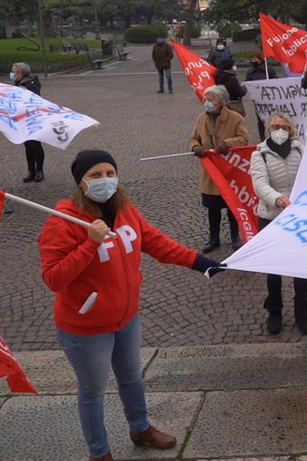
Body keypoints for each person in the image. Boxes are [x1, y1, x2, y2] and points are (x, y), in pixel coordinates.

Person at [39, 149, 224, 461]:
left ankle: (140, 428)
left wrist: (200, 262)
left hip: (126, 317)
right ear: (81, 182)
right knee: (92, 393)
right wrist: (90, 243)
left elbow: (156, 243)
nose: (105, 180)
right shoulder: (64, 221)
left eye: (109, 173)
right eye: (96, 175)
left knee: (131, 378)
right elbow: (54, 278)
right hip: (85, 328)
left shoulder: (125, 210)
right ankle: (99, 453)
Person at [250, 112, 307, 335]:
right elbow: (259, 183)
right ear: (269, 129)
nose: (279, 130)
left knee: (300, 267)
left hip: (297, 217)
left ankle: (302, 314)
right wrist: (275, 198)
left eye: (283, 126)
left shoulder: (300, 150)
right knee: (273, 269)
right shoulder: (260, 154)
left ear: (291, 129)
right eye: (275, 126)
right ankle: (275, 312)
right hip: (271, 216)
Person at [188, 85, 250, 252]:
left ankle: (235, 236)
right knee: (212, 207)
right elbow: (193, 138)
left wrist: (227, 144)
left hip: (229, 169)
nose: (206, 103)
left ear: (221, 102)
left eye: (210, 100)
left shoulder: (236, 118)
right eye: (205, 100)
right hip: (210, 172)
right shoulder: (202, 118)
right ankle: (213, 238)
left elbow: (244, 139)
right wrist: (195, 147)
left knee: (232, 205)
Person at [11, 62, 45, 183]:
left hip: (33, 118)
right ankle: (31, 171)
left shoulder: (31, 82)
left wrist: (23, 91)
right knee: (27, 145)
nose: (13, 74)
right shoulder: (18, 82)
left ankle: (40, 170)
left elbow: (35, 98)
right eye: (13, 72)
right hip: (22, 118)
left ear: (22, 73)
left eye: (15, 72)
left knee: (36, 144)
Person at [244, 52, 278, 141]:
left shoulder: (268, 70)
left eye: (256, 59)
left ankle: (273, 135)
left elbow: (276, 80)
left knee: (272, 118)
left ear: (260, 59)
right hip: (258, 100)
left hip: (269, 98)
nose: (254, 61)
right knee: (260, 120)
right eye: (253, 60)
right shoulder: (250, 71)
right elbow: (247, 82)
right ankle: (262, 138)